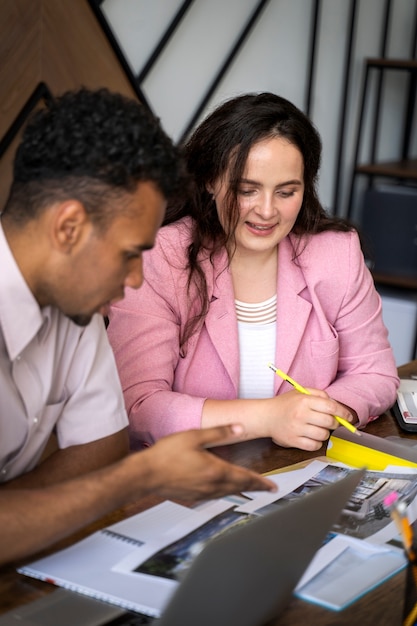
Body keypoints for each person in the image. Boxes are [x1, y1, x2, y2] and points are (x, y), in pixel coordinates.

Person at [0, 88, 275, 565]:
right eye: (129, 254)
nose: (134, 279)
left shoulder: (76, 304)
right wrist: (140, 475)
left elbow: (101, 449)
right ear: (68, 228)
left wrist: (19, 514)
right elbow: (112, 472)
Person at [108, 92, 399, 452]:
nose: (266, 211)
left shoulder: (335, 253)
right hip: (185, 478)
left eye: (286, 192)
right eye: (247, 190)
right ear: (210, 180)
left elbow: (376, 374)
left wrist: (317, 413)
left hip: (295, 469)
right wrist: (268, 418)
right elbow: (139, 408)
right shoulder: (160, 258)